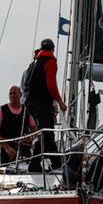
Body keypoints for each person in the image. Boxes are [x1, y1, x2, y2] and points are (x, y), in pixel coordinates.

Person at [22, 39, 66, 170]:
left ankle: (56, 163)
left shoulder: (34, 62)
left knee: (47, 134)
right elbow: (51, 84)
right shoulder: (50, 62)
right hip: (42, 104)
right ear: (52, 50)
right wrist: (60, 102)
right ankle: (35, 164)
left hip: (30, 104)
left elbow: (26, 84)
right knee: (46, 133)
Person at [0, 86, 36, 164]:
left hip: (24, 150)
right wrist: (7, 148)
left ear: (20, 94)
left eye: (15, 93)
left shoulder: (26, 110)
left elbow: (34, 129)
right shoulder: (1, 110)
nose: (12, 95)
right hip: (7, 152)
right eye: (10, 94)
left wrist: (30, 136)